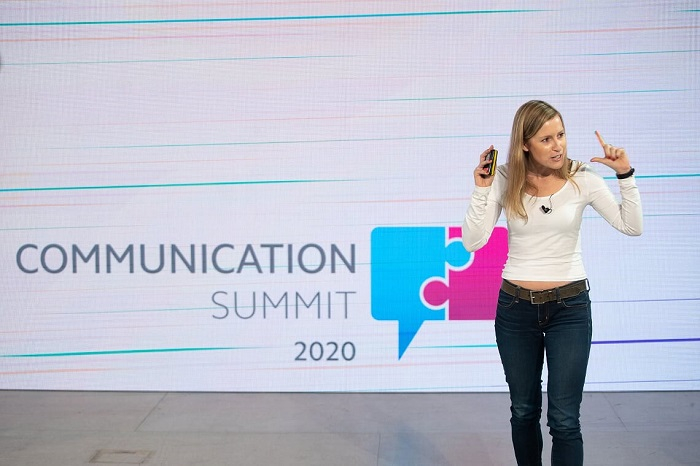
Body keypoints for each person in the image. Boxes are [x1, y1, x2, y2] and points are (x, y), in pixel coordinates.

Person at [462, 100, 643, 466]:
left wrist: (625, 175)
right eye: (546, 139)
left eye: (561, 135)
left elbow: (631, 225)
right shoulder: (504, 178)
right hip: (516, 310)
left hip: (569, 309)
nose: (558, 145)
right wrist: (482, 189)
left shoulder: (582, 178)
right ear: (525, 143)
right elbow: (473, 241)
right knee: (523, 410)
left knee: (564, 419)